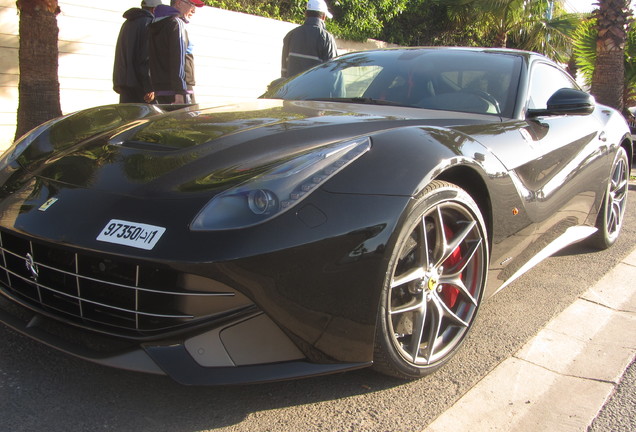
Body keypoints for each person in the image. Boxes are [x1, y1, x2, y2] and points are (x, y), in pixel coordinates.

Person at [148, 0, 204, 104]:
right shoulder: (177, 24)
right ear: (179, 3)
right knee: (189, 120)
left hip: (161, 89)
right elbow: (178, 59)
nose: (194, 10)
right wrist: (180, 92)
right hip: (179, 90)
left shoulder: (155, 24)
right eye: (192, 4)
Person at [113, 0, 163, 103]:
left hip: (125, 86)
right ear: (154, 9)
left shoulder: (127, 23)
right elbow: (146, 57)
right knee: (150, 118)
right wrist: (150, 87)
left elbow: (119, 55)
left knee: (129, 118)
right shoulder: (150, 23)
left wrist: (117, 82)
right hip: (142, 88)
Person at [281, 0, 338, 78]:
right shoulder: (327, 38)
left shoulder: (290, 35)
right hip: (315, 89)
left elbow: (284, 71)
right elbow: (333, 72)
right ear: (323, 17)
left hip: (293, 89)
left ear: (306, 14)